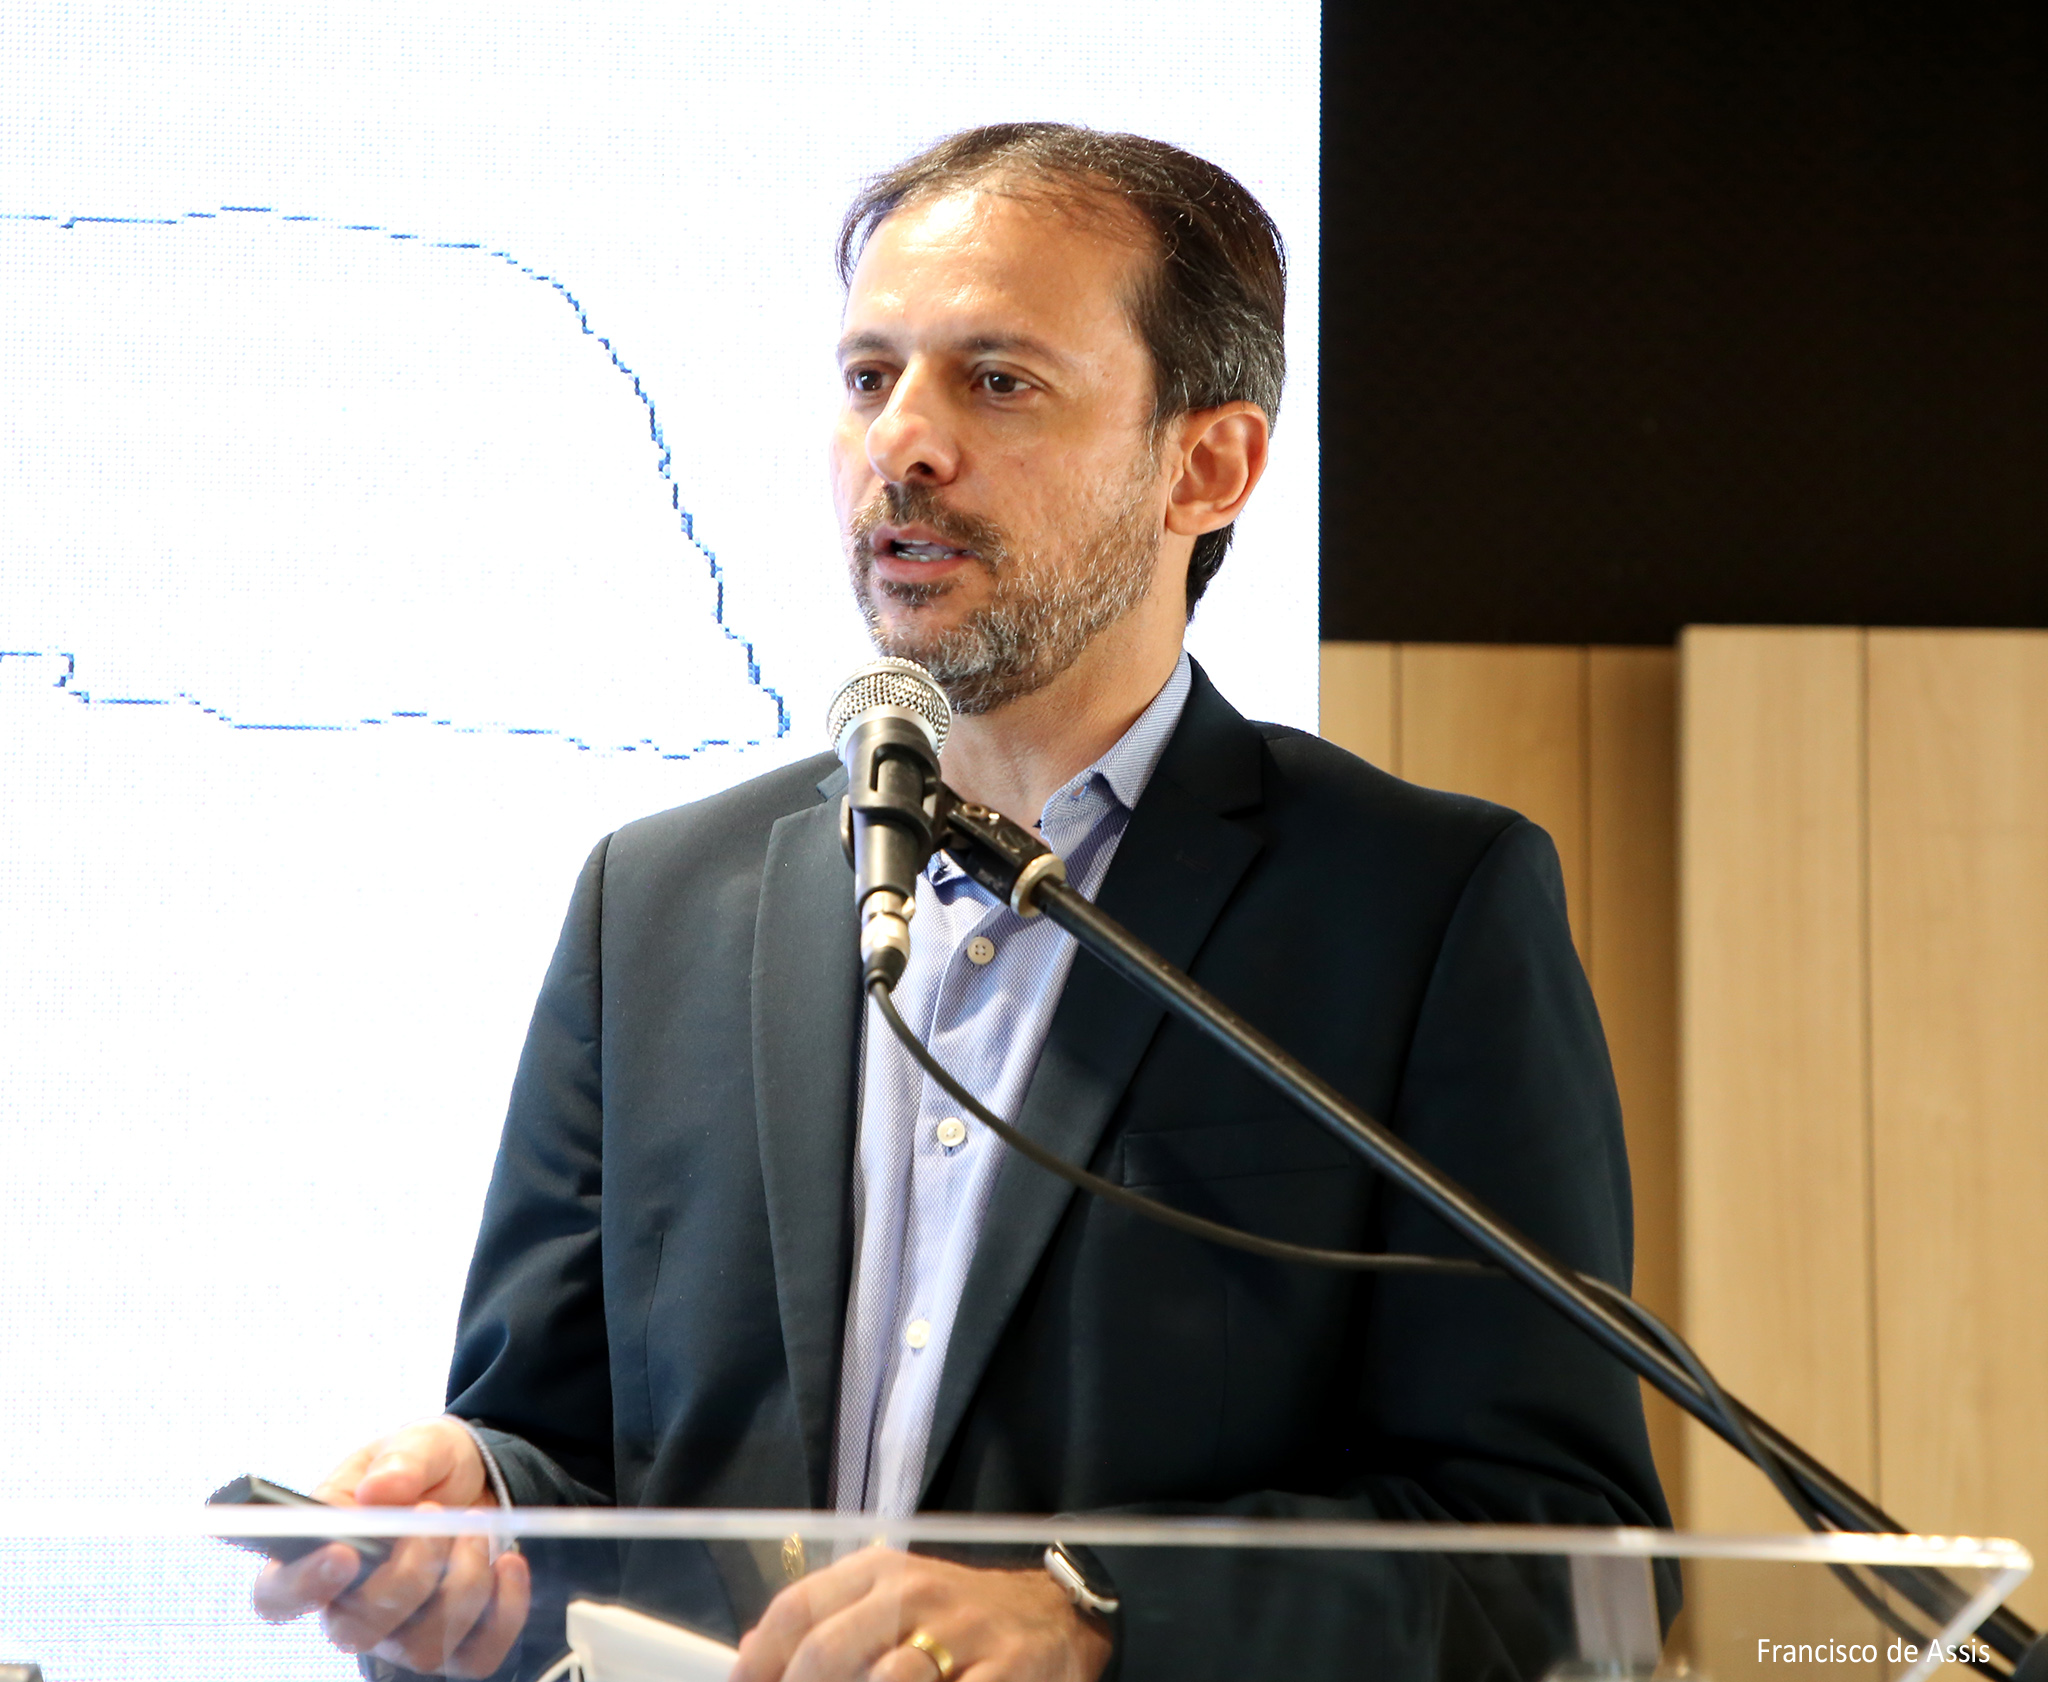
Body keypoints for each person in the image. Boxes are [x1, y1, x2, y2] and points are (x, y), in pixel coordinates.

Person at [252, 123, 1669, 1680]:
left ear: (1207, 465)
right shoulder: (654, 906)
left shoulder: (1416, 909)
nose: (903, 443)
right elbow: (562, 1464)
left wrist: (1097, 1614)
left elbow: (1565, 1557)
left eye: (997, 381)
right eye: (869, 377)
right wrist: (473, 1527)